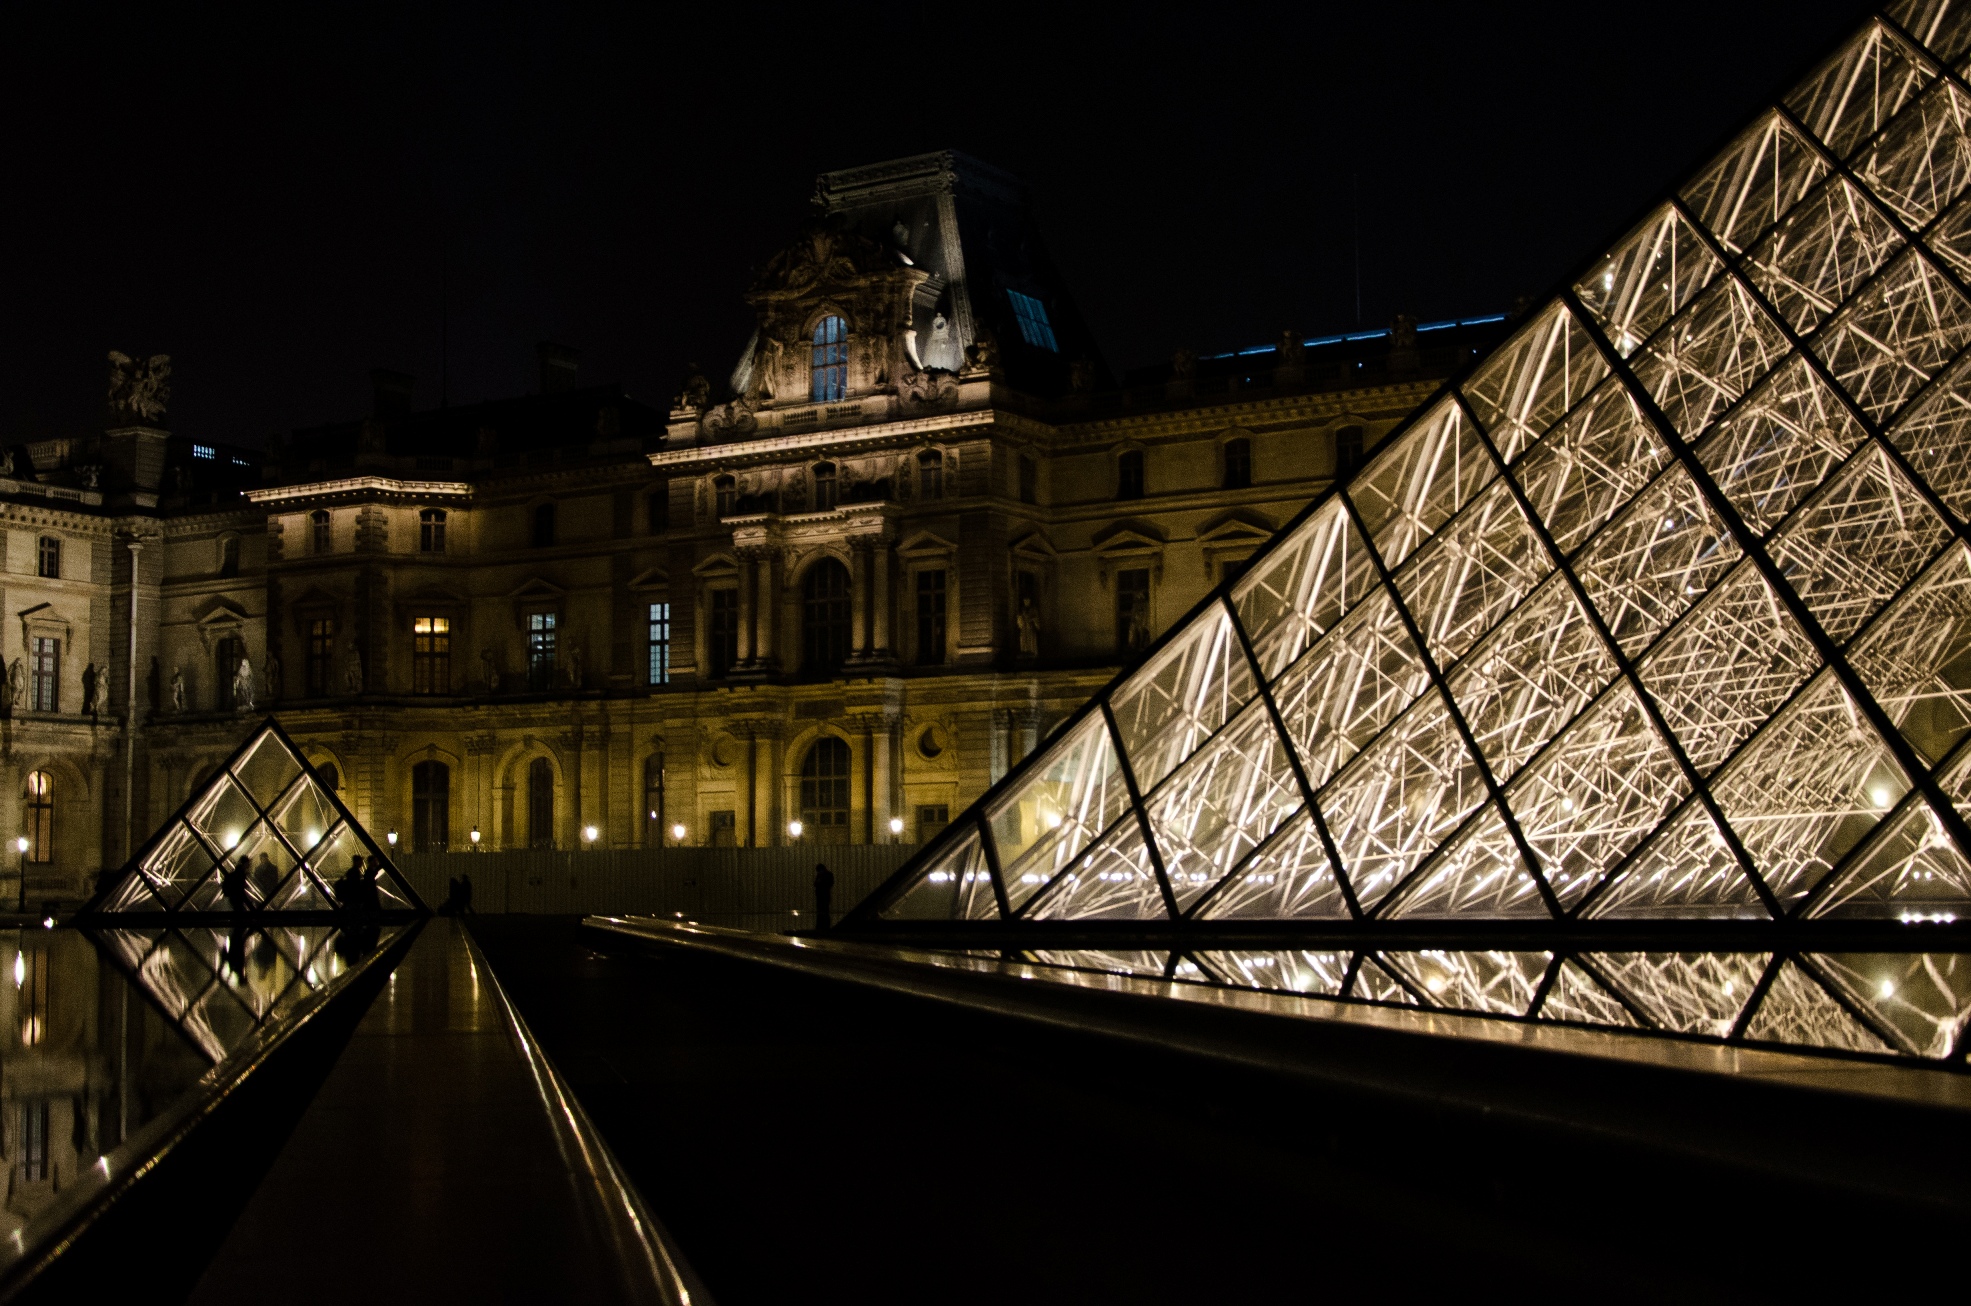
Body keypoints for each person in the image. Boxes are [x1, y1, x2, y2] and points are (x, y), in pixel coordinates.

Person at [812, 861, 835, 932]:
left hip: (823, 895)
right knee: (823, 910)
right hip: (823, 895)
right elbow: (815, 883)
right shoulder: (824, 875)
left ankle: (823, 926)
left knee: (823, 910)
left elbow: (816, 884)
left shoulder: (824, 875)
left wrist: (820, 881)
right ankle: (823, 925)